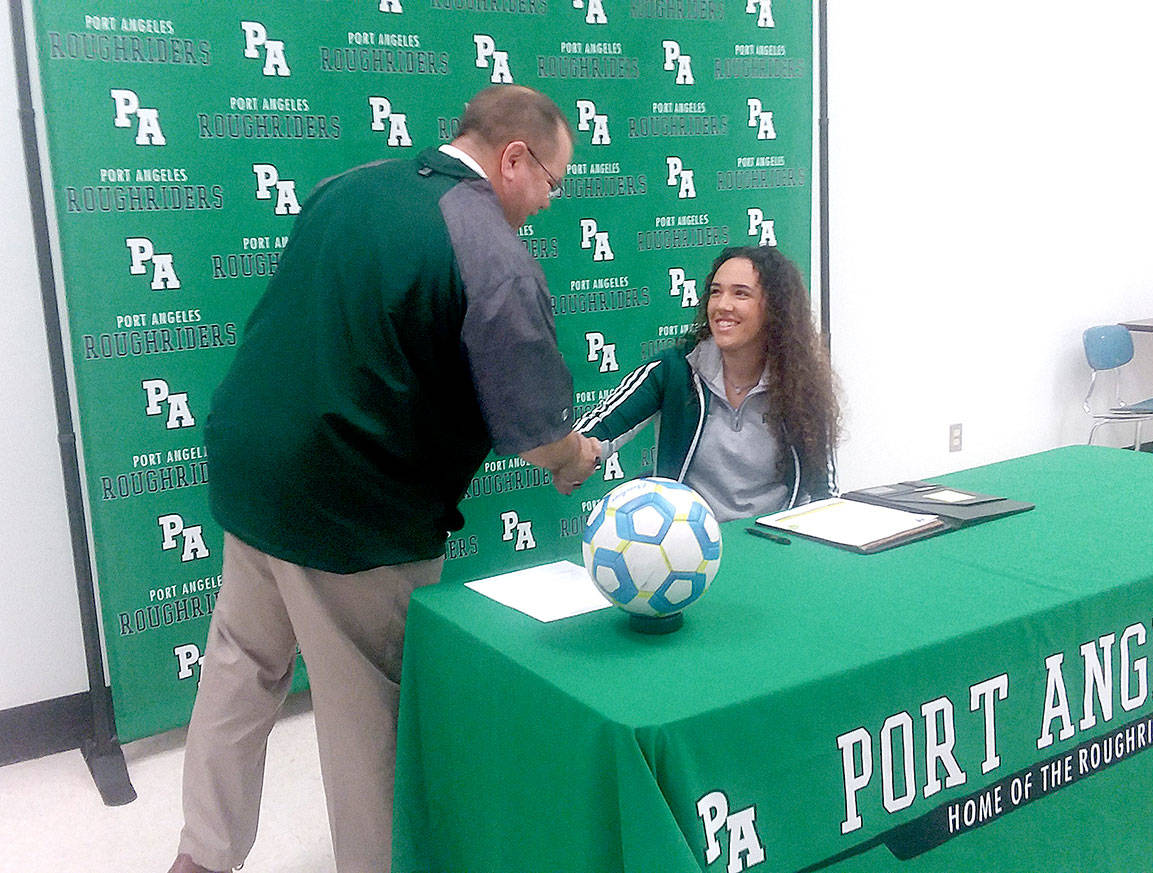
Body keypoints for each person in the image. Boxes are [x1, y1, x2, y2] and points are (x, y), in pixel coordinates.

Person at [167, 85, 600, 873]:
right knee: (369, 720)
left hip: (252, 473)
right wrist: (577, 460)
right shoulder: (490, 246)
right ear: (514, 158)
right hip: (353, 508)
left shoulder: (350, 186)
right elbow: (538, 431)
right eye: (554, 181)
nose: (547, 202)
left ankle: (201, 856)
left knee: (239, 671)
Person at [576, 246, 840, 521]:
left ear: (775, 307)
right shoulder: (675, 369)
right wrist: (572, 455)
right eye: (716, 292)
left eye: (741, 293)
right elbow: (598, 429)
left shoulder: (802, 384)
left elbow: (824, 490)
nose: (722, 305)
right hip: (687, 542)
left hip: (776, 541)